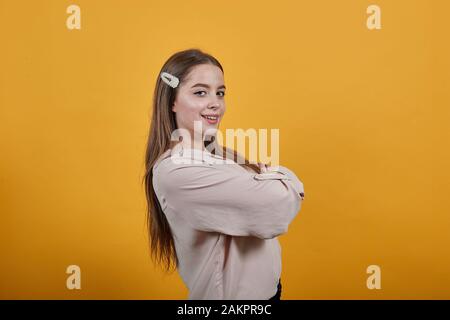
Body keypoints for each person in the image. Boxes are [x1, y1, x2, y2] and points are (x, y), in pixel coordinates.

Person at [143, 48, 305, 299]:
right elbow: (279, 204)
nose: (215, 103)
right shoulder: (179, 171)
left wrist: (266, 178)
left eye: (220, 93)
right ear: (172, 101)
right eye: (200, 92)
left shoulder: (217, 154)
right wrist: (279, 175)